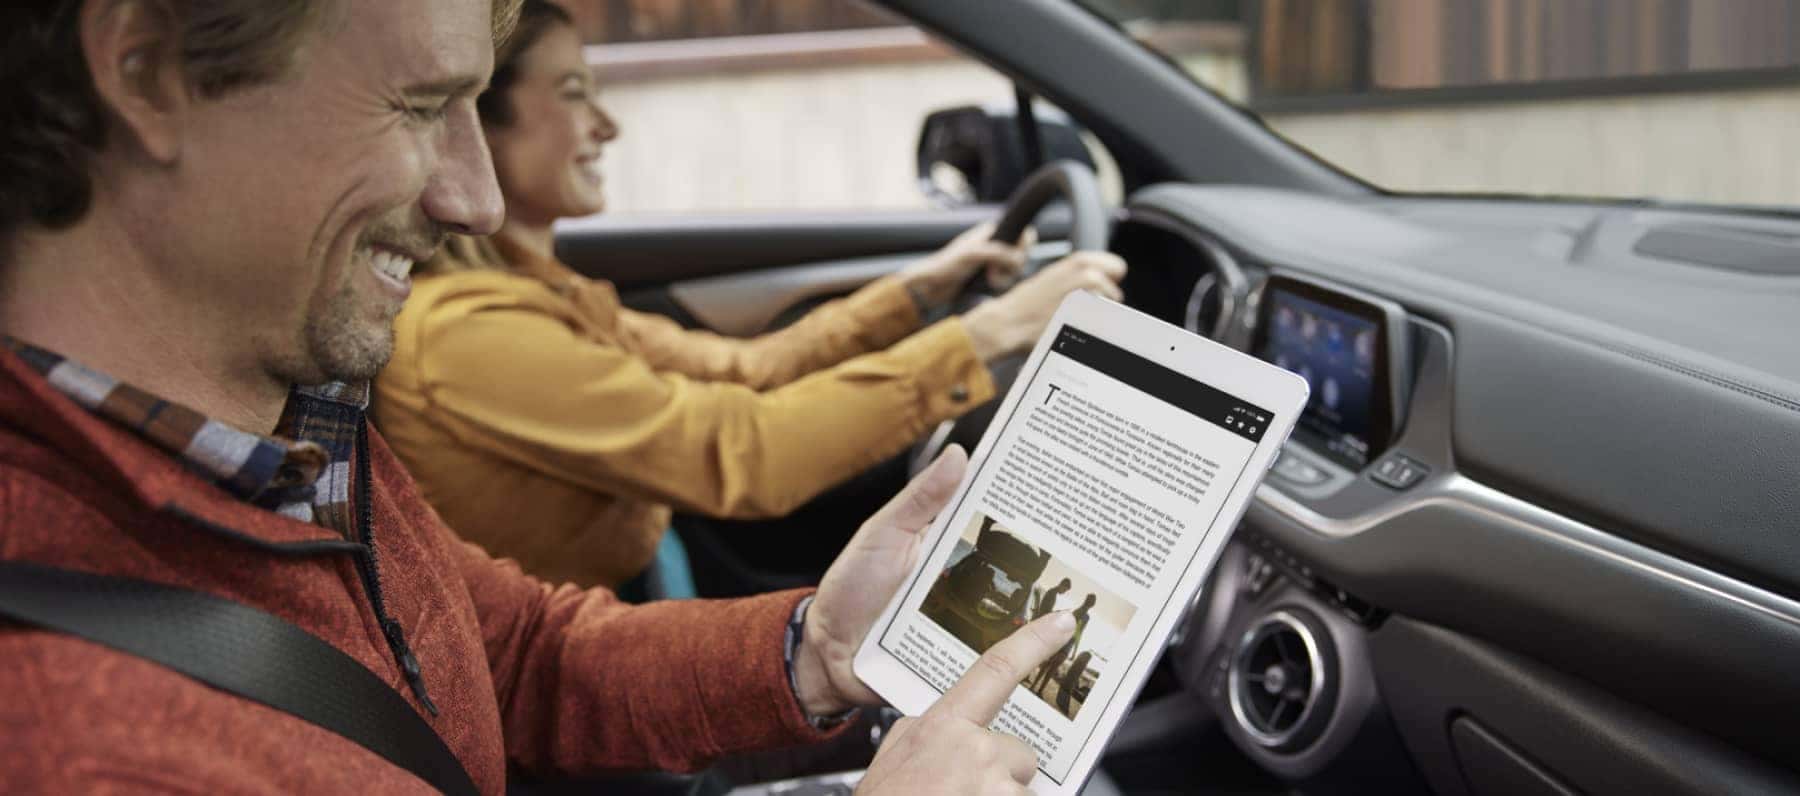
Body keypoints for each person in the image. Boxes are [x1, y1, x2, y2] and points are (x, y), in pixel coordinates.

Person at [0, 1, 1077, 792]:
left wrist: (811, 648)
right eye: (421, 104)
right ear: (146, 70)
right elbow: (734, 440)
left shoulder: (284, 423)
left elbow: (508, 654)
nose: (473, 195)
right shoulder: (62, 737)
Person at [371, 0, 1129, 593]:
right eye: (574, 93)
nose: (607, 123)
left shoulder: (537, 293)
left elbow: (747, 369)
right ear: (479, 124)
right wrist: (988, 333)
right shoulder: (467, 336)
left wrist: (915, 292)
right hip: (576, 645)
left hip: (637, 584)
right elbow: (743, 452)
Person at [1033, 593, 1096, 693]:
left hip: (1060, 640)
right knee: (1052, 670)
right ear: (1092, 605)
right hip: (1067, 646)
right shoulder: (1086, 617)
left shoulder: (1076, 610)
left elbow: (1066, 626)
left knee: (1046, 666)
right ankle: (1040, 691)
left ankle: (1033, 686)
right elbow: (1079, 634)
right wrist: (1074, 651)